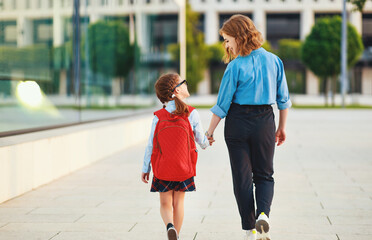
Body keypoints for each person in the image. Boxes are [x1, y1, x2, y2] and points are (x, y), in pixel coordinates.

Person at [205, 15, 291, 240]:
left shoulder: (234, 67)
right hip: (265, 121)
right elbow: (283, 100)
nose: (227, 45)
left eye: (227, 39)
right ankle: (263, 214)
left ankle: (249, 229)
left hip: (238, 124)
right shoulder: (274, 61)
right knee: (264, 175)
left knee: (242, 179)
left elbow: (222, 105)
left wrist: (209, 132)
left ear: (238, 36)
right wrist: (281, 127)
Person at [141, 73, 210, 240]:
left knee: (165, 204)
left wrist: (146, 168)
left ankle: (169, 226)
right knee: (178, 203)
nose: (186, 85)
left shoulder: (158, 116)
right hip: (183, 168)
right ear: (177, 90)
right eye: (183, 83)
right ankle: (176, 235)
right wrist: (208, 140)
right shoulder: (191, 113)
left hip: (162, 167)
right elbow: (202, 141)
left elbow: (151, 144)